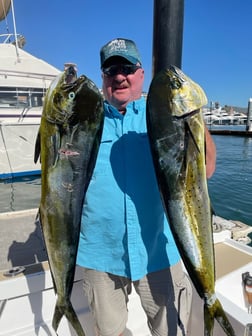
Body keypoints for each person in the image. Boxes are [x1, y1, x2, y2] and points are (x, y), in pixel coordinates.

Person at [77, 38, 216, 336]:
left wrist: (191, 117)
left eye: (127, 68)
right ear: (102, 76)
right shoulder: (85, 120)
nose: (119, 76)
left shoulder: (161, 113)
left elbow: (207, 168)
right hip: (101, 253)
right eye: (111, 69)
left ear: (141, 74)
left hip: (158, 249)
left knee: (169, 331)